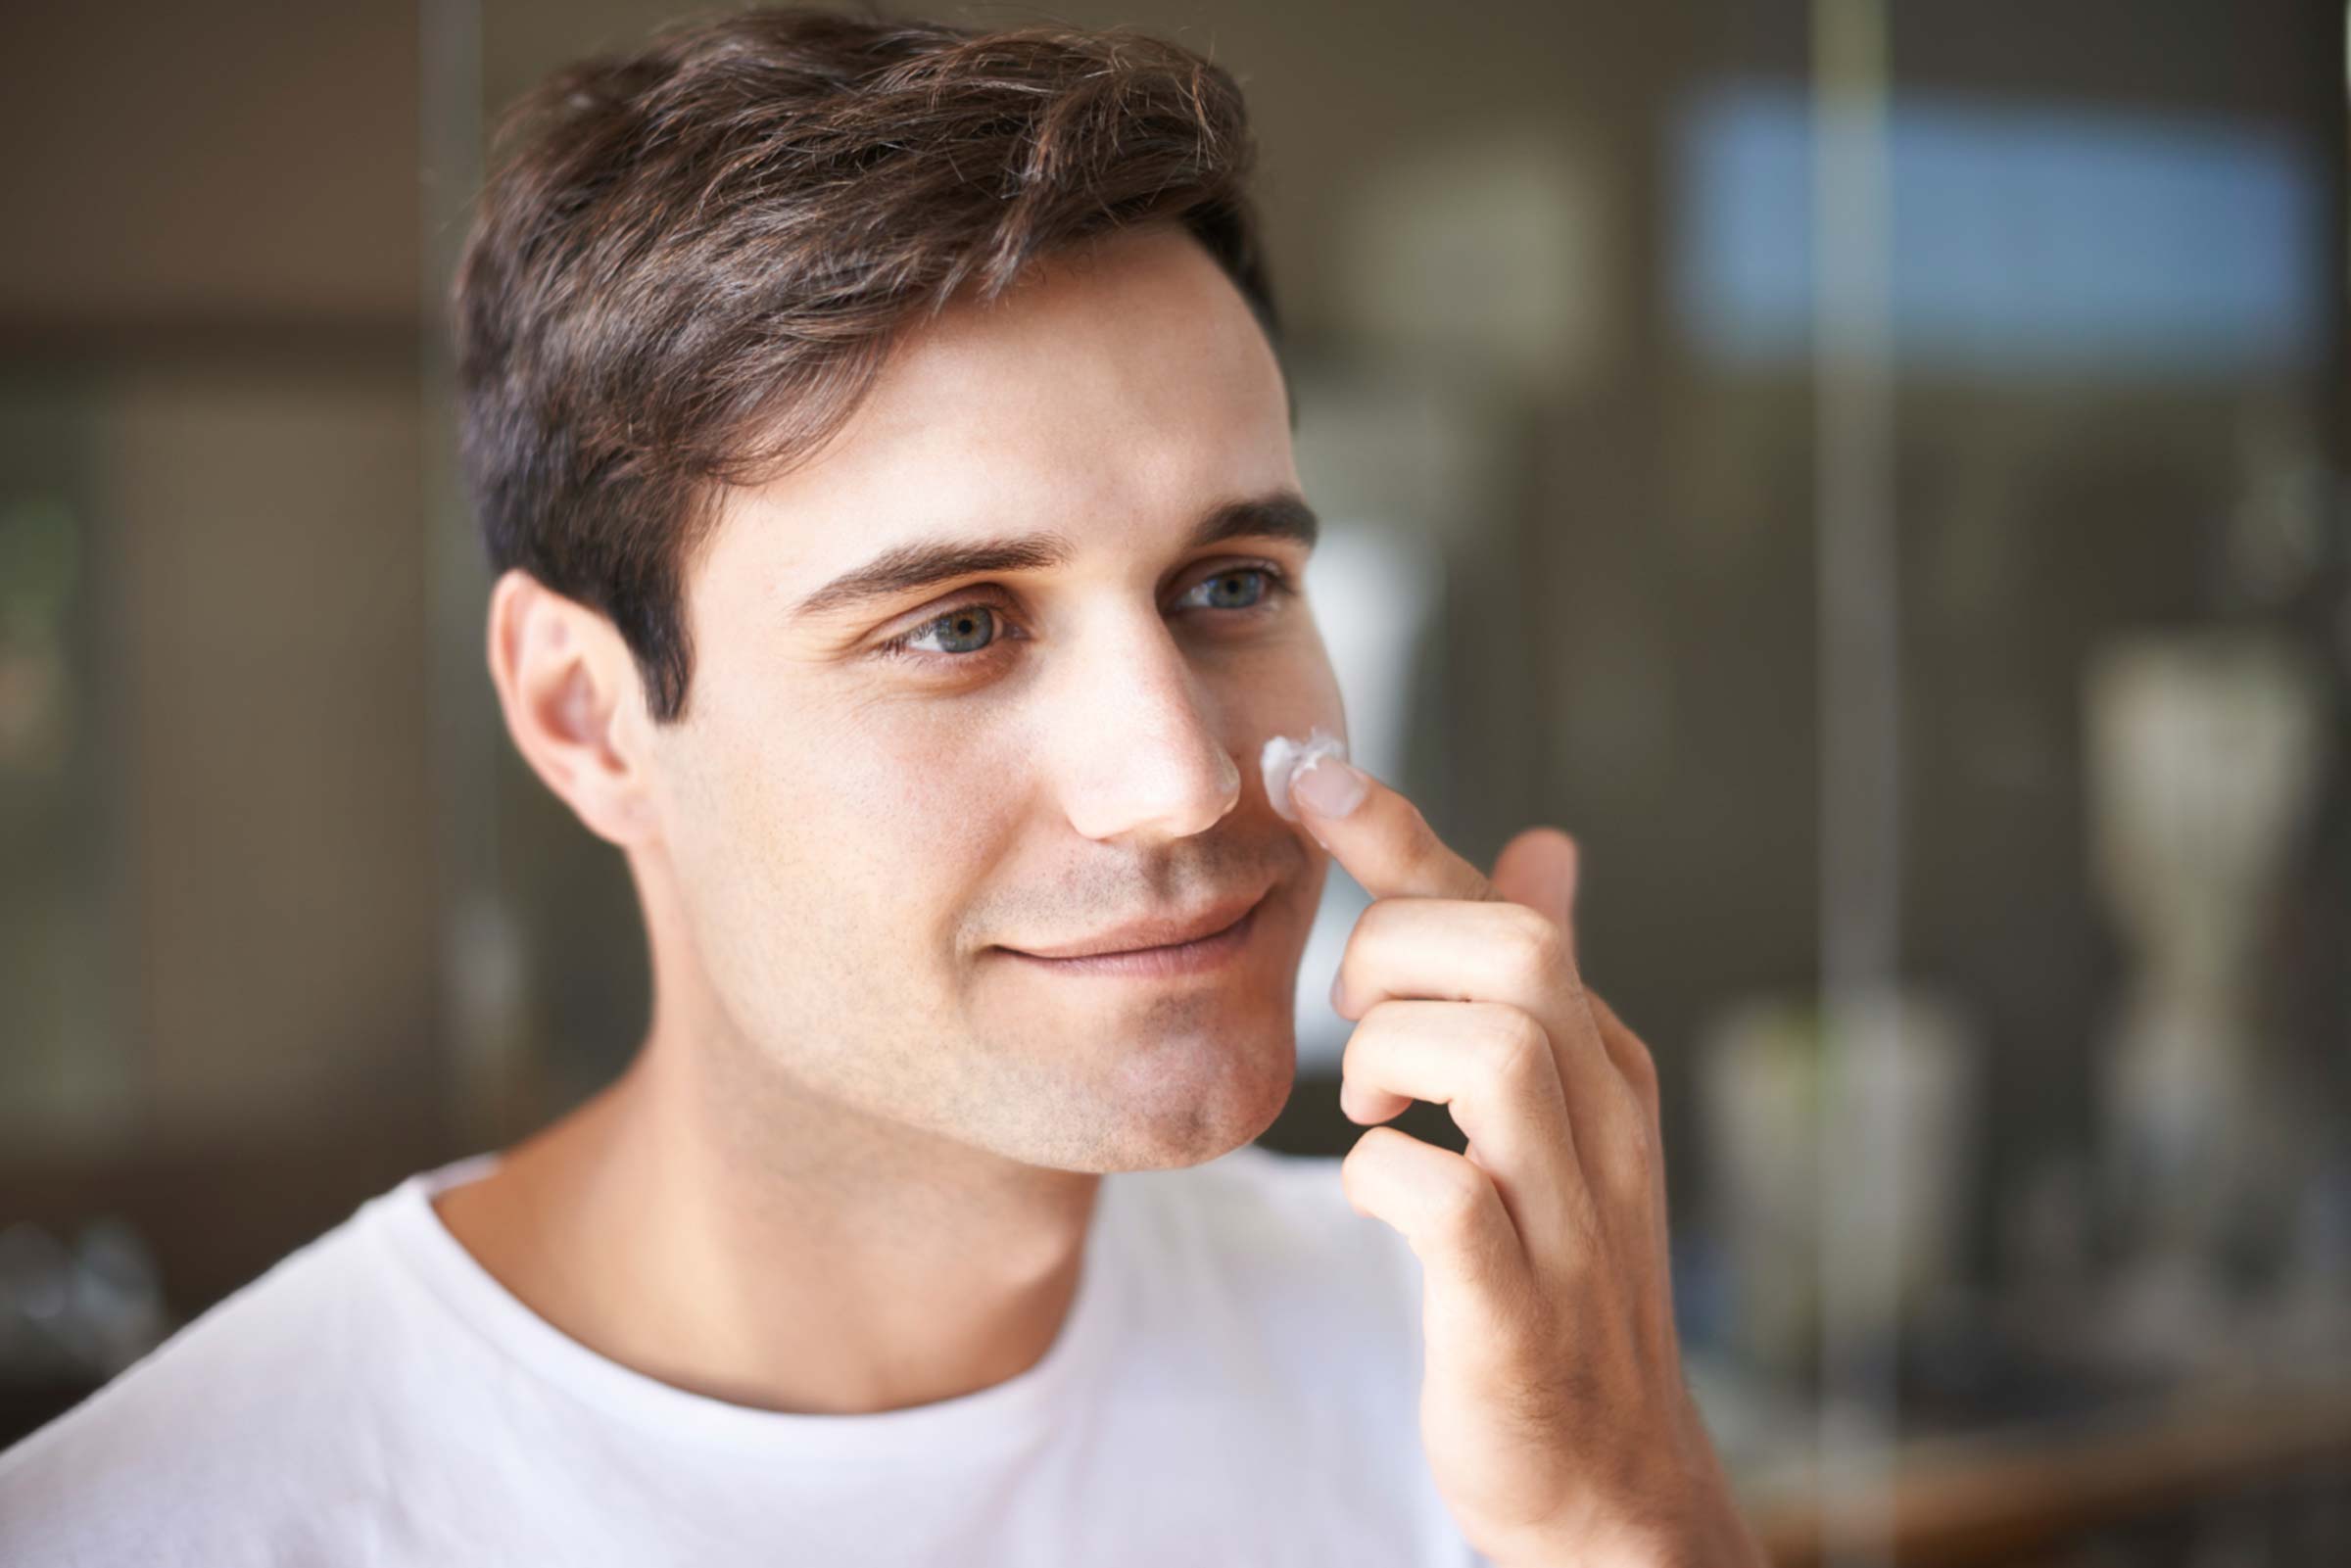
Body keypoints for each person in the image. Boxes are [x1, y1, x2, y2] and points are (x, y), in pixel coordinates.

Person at [0, 8, 1763, 1564]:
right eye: (958, 626)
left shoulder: (1474, 1356)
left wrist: (1631, 1524)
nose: (1175, 780)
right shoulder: (171, 1525)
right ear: (588, 717)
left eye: (1230, 582)